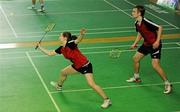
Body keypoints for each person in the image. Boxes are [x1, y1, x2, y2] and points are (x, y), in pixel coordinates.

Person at [37, 29, 112, 108]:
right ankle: (59, 86)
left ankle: (107, 100)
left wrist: (82, 34)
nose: (59, 37)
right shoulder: (61, 48)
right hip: (76, 66)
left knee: (91, 84)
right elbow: (50, 53)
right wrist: (39, 47)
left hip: (85, 65)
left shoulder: (70, 44)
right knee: (63, 72)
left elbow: (78, 40)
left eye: (60, 36)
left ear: (65, 38)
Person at [126, 5, 172, 94]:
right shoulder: (136, 23)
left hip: (155, 45)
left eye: (134, 11)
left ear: (139, 13)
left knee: (155, 65)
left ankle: (167, 83)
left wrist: (157, 41)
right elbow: (140, 33)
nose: (132, 13)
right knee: (135, 59)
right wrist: (135, 43)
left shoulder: (146, 21)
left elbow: (160, 28)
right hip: (146, 44)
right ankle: (136, 77)